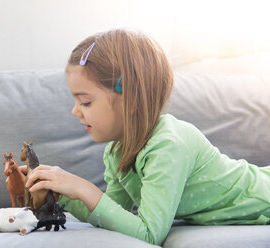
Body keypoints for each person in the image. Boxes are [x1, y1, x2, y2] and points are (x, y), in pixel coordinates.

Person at [22, 29, 270, 245]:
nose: (75, 111)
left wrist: (85, 188)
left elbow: (149, 235)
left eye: (85, 101)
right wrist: (57, 190)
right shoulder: (117, 151)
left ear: (130, 99)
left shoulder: (168, 146)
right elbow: (113, 215)